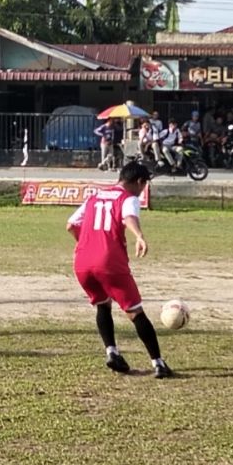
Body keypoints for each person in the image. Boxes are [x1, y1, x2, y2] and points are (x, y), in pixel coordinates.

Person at [66, 161, 173, 378]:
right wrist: (139, 236)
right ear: (139, 182)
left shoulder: (94, 197)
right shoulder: (128, 198)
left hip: (82, 263)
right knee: (135, 312)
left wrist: (85, 244)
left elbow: (70, 224)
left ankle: (112, 353)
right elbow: (128, 217)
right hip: (109, 264)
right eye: (144, 185)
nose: (143, 190)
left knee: (102, 305)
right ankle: (158, 363)